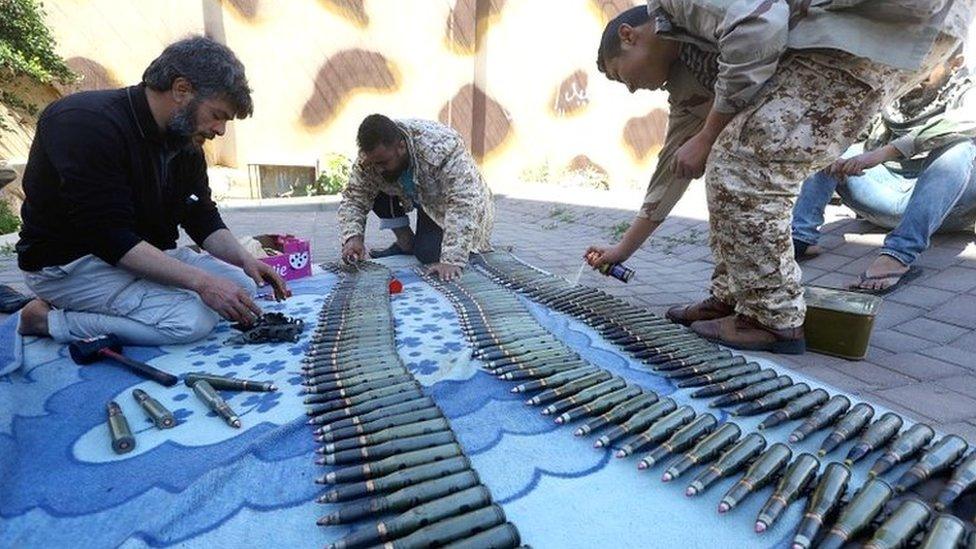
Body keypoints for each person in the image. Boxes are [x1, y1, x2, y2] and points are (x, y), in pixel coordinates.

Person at [584, 2, 970, 354]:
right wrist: (623, 250)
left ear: (629, 36)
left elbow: (758, 26)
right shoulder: (687, 71)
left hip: (880, 17)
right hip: (860, 28)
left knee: (744, 164)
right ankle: (735, 297)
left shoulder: (674, 4)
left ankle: (771, 318)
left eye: (622, 76)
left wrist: (707, 135)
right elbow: (674, 167)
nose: (633, 89)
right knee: (730, 159)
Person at [15, 36, 288, 346]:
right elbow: (110, 238)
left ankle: (132, 305)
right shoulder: (86, 123)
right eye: (217, 115)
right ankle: (46, 319)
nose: (220, 130)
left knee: (241, 289)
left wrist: (244, 260)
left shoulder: (184, 143)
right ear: (181, 89)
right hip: (71, 266)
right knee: (190, 322)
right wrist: (202, 283)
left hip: (139, 255)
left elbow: (201, 217)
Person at [792, 50, 976, 294]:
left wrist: (881, 154)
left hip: (946, 204)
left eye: (927, 66)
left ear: (955, 63)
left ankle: (897, 256)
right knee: (832, 148)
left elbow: (953, 127)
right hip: (885, 193)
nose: (915, 73)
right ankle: (802, 237)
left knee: (958, 149)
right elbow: (858, 132)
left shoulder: (968, 92)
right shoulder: (892, 89)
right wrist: (834, 154)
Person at [337, 114, 494, 281]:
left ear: (401, 147)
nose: (379, 169)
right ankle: (405, 242)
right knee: (370, 183)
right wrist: (353, 238)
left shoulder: (442, 146)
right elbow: (354, 197)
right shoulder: (371, 159)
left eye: (383, 162)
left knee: (429, 253)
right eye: (374, 163)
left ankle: (425, 243)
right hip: (419, 195)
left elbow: (463, 200)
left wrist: (452, 260)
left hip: (450, 204)